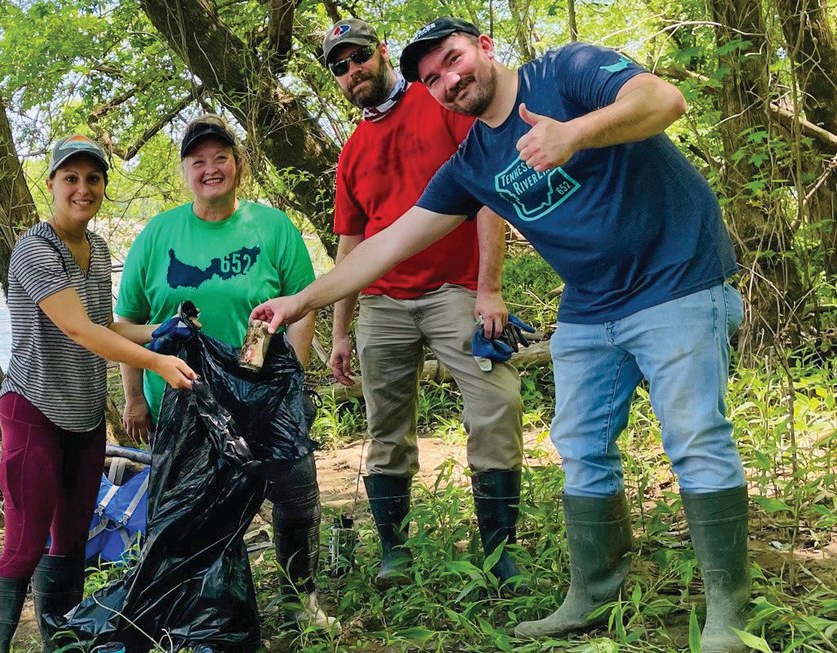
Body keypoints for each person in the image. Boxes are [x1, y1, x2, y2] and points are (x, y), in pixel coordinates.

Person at [253, 18, 749, 653]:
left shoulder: (565, 73)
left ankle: (727, 614)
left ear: (485, 46)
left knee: (694, 436)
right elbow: (385, 245)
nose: (448, 79)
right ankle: (593, 590)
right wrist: (301, 301)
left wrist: (574, 134)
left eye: (453, 60)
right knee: (580, 443)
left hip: (677, 276)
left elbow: (663, 100)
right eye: (431, 78)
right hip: (592, 304)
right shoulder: (471, 165)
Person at [320, 18, 527, 590]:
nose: (351, 70)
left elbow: (490, 192)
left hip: (455, 289)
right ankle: (394, 550)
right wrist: (341, 331)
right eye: (339, 66)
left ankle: (498, 552)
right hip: (383, 303)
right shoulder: (353, 150)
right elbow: (351, 243)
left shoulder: (439, 100)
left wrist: (490, 288)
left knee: (496, 401)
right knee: (385, 429)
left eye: (358, 56)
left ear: (380, 52)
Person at [115, 115, 337, 631]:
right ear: (185, 172)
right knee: (193, 509)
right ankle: (199, 614)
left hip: (262, 394)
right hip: (182, 399)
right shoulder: (158, 234)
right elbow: (125, 323)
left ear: (238, 165)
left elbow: (303, 305)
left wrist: (293, 382)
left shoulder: (272, 226)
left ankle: (298, 598)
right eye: (199, 162)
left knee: (296, 495)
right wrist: (134, 399)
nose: (211, 169)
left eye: (221, 158)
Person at [0, 135, 199, 653]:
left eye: (93, 179)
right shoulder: (35, 250)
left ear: (103, 186)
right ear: (51, 184)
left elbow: (104, 326)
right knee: (26, 542)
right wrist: (157, 363)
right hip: (34, 409)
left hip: (83, 415)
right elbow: (78, 330)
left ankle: (62, 641)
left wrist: (156, 332)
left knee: (73, 540)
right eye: (71, 179)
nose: (83, 189)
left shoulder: (98, 251)